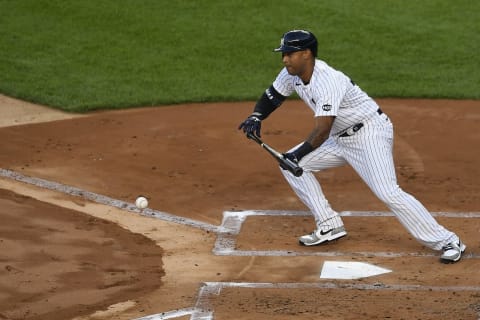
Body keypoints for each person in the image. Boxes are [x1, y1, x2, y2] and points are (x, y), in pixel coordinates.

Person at [238, 29, 466, 263]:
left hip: (368, 133)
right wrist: (256, 116)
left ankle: (448, 240)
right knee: (290, 165)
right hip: (339, 138)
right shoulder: (292, 73)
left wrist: (298, 153)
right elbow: (273, 96)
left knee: (388, 192)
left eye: (289, 53)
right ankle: (329, 224)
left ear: (306, 54)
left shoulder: (328, 81)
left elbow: (322, 128)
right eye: (283, 54)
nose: (284, 59)